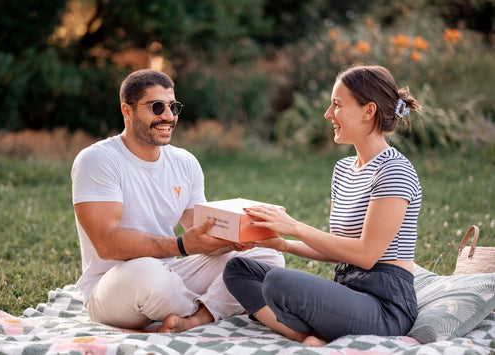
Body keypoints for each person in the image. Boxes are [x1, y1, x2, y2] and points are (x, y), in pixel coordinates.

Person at [71, 69, 284, 332]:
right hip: (116, 287)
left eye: (173, 107)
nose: (169, 117)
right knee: (148, 273)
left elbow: (203, 236)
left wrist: (232, 240)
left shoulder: (185, 162)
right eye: (157, 107)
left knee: (266, 256)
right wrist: (182, 245)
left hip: (171, 276)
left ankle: (195, 319)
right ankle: (226, 303)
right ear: (127, 110)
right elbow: (106, 244)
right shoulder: (98, 159)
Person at [223, 64, 422, 346]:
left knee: (279, 283)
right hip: (348, 291)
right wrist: (281, 244)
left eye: (337, 105)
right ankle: (303, 336)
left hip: (385, 307)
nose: (328, 114)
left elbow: (366, 255)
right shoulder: (343, 169)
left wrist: (294, 227)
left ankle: (315, 331)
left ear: (369, 111)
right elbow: (339, 249)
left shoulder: (394, 171)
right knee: (238, 269)